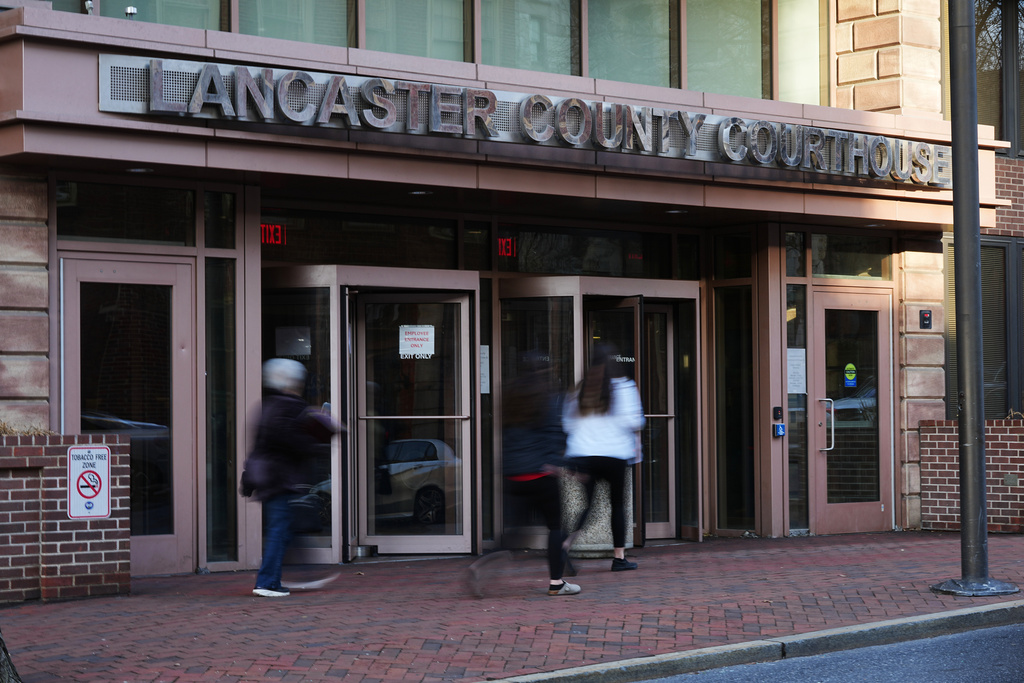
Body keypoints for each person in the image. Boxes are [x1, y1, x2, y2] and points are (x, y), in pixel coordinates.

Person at [468, 368, 580, 597]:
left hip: (515, 476)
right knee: (556, 527)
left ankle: (485, 562)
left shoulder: (511, 404)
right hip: (541, 474)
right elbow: (554, 435)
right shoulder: (548, 402)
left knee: (515, 531)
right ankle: (556, 582)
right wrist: (559, 464)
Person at [243, 358, 336, 597]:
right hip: (282, 477)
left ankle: (284, 577)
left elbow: (261, 445)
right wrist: (317, 440)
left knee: (285, 528)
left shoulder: (269, 406)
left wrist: (249, 476)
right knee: (280, 528)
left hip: (270, 476)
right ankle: (268, 582)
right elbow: (288, 440)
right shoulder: (290, 406)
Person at [562, 344, 645, 572]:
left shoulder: (580, 389)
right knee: (617, 504)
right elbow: (635, 422)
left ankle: (564, 545)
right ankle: (619, 558)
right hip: (615, 455)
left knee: (588, 506)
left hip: (585, 455)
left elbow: (568, 424)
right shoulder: (625, 387)